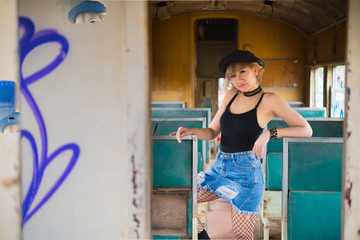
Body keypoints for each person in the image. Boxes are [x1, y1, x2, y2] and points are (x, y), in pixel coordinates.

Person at [170, 50, 312, 240]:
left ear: (255, 70)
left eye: (242, 72)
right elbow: (212, 132)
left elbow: (305, 129)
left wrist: (270, 133)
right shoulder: (231, 95)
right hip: (218, 169)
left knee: (243, 237)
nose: (238, 80)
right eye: (233, 76)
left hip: (246, 176)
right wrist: (192, 130)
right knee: (180, 201)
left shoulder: (270, 99)